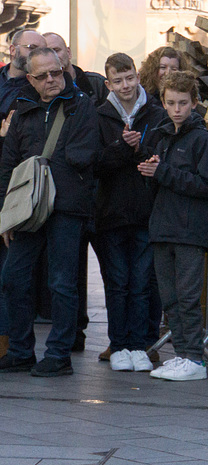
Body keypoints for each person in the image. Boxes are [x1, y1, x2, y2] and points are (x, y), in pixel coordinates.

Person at [0, 47, 99, 377]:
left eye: (56, 72)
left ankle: (59, 355)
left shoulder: (81, 104)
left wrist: (42, 172)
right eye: (43, 76)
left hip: (67, 208)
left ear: (63, 68)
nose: (52, 80)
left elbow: (83, 155)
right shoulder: (23, 107)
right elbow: (8, 163)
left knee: (61, 283)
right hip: (28, 209)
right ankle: (20, 350)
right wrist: (6, 214)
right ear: (31, 79)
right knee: (14, 278)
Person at [137, 71, 208, 381]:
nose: (177, 109)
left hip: (189, 230)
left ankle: (194, 359)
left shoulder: (203, 140)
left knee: (187, 298)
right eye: (171, 103)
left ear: (194, 103)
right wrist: (149, 172)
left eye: (183, 103)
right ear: (163, 102)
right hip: (163, 227)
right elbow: (160, 182)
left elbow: (206, 185)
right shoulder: (161, 136)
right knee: (170, 300)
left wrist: (161, 173)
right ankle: (183, 355)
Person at [95, 53, 166, 373]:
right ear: (108, 83)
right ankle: (119, 344)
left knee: (141, 283)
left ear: (138, 77)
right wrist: (123, 148)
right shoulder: (99, 115)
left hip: (145, 211)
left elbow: (162, 154)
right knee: (117, 282)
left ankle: (139, 345)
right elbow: (93, 163)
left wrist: (141, 151)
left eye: (130, 78)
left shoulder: (157, 113)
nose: (125, 86)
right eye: (118, 81)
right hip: (110, 213)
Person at [44, 32, 109, 353]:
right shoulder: (34, 98)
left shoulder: (91, 88)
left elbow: (84, 150)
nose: (53, 61)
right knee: (60, 274)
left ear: (66, 53)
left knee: (80, 272)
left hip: (88, 197)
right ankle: (65, 336)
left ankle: (77, 337)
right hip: (51, 200)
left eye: (57, 51)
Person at [0, 30, 47, 359]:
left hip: (13, 189)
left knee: (11, 272)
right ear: (12, 48)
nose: (35, 51)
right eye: (31, 46)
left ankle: (9, 342)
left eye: (40, 48)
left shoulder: (32, 90)